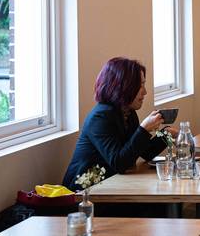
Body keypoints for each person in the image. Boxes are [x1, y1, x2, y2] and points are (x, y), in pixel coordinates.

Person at [63, 57, 176, 190]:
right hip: (84, 192)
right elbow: (119, 163)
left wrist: (166, 134)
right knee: (157, 201)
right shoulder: (100, 117)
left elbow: (145, 152)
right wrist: (144, 129)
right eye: (140, 85)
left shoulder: (128, 112)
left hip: (110, 186)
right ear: (123, 86)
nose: (145, 92)